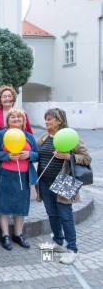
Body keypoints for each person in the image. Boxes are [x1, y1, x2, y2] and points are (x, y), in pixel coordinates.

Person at [36, 108, 91, 264]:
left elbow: (86, 158)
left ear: (59, 121)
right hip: (45, 182)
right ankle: (58, 242)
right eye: (45, 119)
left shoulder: (70, 137)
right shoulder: (44, 137)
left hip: (64, 181)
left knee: (65, 216)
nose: (46, 122)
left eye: (49, 119)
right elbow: (37, 154)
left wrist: (68, 156)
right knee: (52, 213)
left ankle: (73, 249)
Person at [0, 108, 39, 251]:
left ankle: (18, 234)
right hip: (4, 175)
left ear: (23, 120)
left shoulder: (29, 136)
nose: (16, 119)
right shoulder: (1, 134)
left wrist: (29, 155)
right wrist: (7, 156)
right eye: (13, 117)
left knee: (21, 206)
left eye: (19, 117)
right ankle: (5, 235)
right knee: (3, 206)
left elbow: (37, 155)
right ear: (8, 120)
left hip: (24, 175)